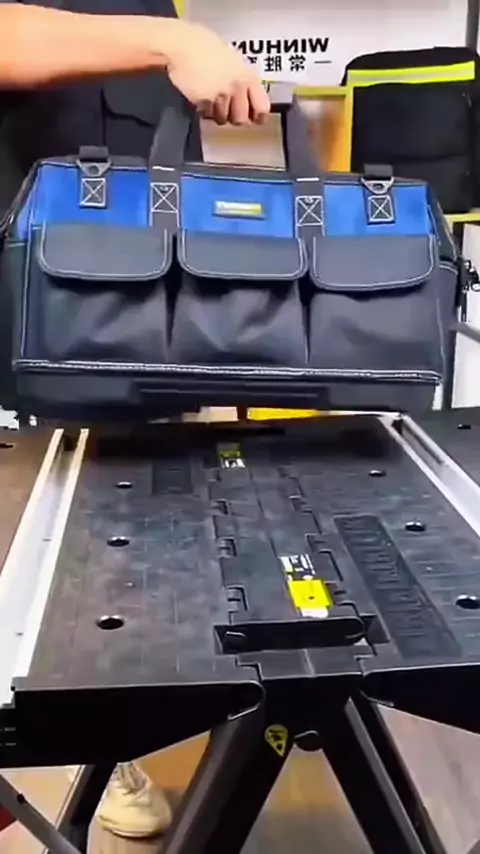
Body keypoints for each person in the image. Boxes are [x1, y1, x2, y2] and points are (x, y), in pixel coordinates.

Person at [0, 0, 270, 841]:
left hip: (147, 292)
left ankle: (116, 735)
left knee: (145, 532)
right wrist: (171, 40)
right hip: (35, 291)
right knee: (33, 548)